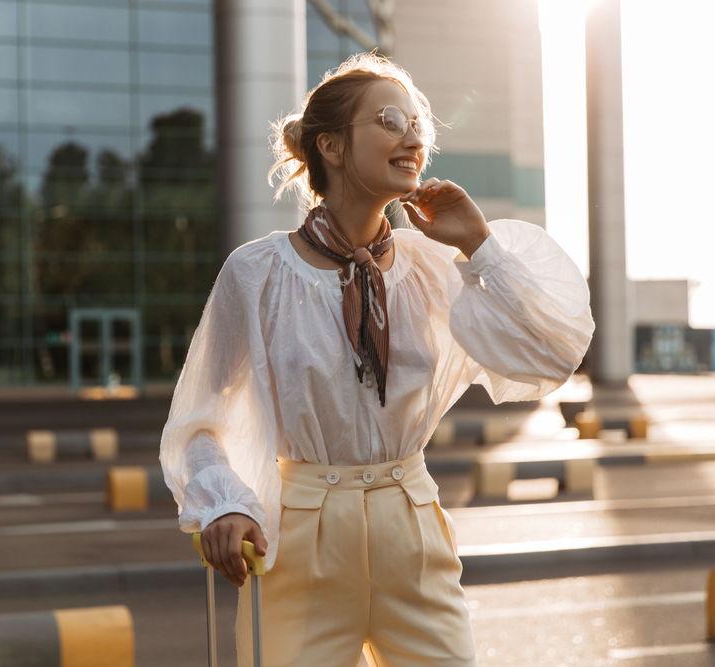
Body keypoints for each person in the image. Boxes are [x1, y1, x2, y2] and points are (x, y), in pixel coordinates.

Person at [160, 53, 594, 667]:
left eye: (419, 123)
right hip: (302, 541)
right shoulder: (256, 274)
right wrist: (225, 503)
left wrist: (478, 244)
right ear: (332, 147)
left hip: (412, 528)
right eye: (390, 120)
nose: (414, 136)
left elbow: (552, 352)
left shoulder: (435, 267)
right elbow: (201, 419)